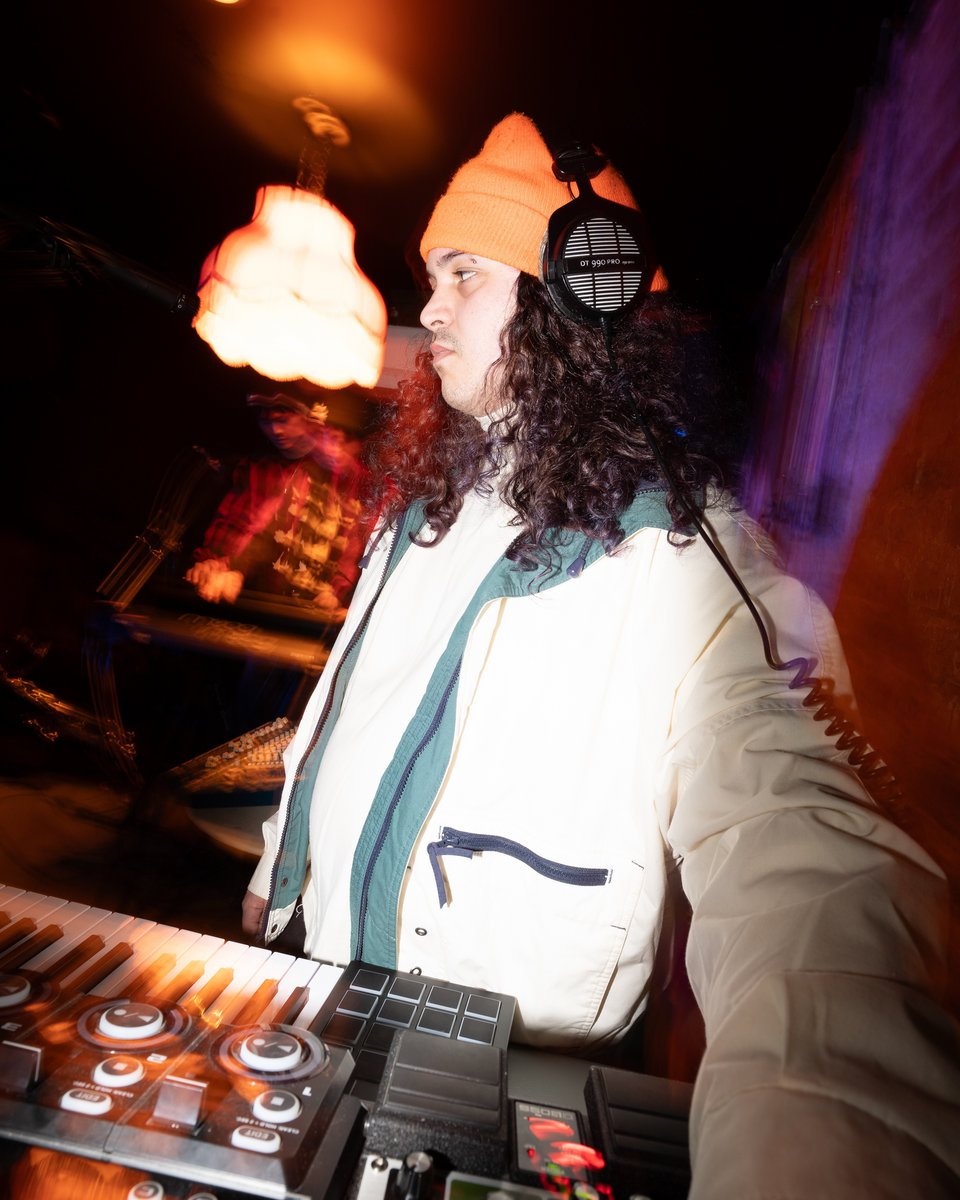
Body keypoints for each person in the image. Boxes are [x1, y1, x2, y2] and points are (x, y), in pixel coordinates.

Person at [242, 114, 959, 1196]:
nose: (430, 308)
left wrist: (823, 1150)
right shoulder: (422, 516)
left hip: (499, 1082)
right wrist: (277, 871)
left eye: (464, 273)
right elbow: (342, 714)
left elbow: (802, 863)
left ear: (575, 297)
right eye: (432, 276)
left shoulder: (690, 563)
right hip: (315, 1010)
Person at [185, 392, 366, 615]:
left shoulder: (365, 488)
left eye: (282, 420)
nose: (275, 430)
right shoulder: (283, 472)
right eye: (324, 435)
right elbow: (252, 528)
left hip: (319, 615)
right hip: (267, 605)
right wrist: (222, 564)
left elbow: (357, 549)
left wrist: (343, 598)